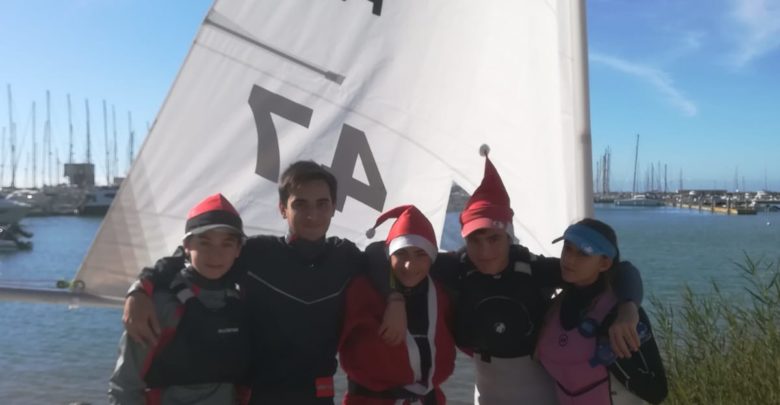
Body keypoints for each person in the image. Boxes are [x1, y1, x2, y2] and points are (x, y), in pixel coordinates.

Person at [121, 161, 405, 405]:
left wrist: (395, 299)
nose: (312, 215)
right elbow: (191, 256)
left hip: (318, 395)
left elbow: (377, 254)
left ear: (334, 207)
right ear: (282, 209)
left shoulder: (345, 257)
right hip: (258, 395)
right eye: (300, 204)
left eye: (322, 204)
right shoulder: (255, 254)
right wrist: (140, 288)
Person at [428, 151, 645, 405]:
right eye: (475, 240)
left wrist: (628, 308)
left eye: (494, 239)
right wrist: (396, 299)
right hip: (486, 395)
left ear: (509, 238)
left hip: (539, 396)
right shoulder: (458, 268)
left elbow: (622, 270)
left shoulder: (534, 270)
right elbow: (397, 260)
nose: (484, 252)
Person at [108, 193, 252, 405]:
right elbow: (125, 385)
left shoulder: (244, 301)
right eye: (205, 243)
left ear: (238, 249)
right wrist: (138, 290)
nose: (215, 255)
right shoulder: (158, 305)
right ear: (187, 246)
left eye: (226, 244)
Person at [536, 218, 668, 404]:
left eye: (583, 253)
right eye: (567, 248)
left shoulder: (619, 315)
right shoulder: (555, 306)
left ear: (604, 263)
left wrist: (616, 359)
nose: (569, 259)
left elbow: (657, 391)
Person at [339, 205, 456, 404]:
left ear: (432, 257)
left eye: (420, 254)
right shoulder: (362, 290)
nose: (409, 265)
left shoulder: (442, 292)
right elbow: (323, 342)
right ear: (388, 255)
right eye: (401, 253)